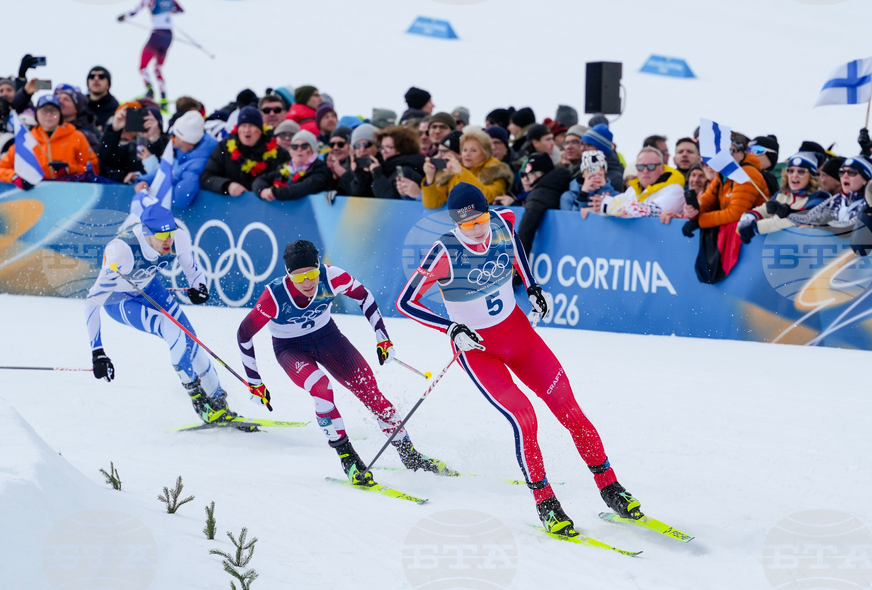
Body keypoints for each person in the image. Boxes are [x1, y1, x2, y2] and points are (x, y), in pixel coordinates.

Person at [397, 184, 644, 535]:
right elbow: (405, 302)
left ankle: (610, 487)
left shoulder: (502, 223)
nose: (478, 229)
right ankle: (546, 503)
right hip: (479, 351)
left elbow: (517, 252)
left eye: (481, 218)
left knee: (570, 410)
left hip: (520, 337)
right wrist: (451, 329)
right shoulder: (444, 252)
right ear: (455, 224)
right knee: (524, 419)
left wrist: (532, 287)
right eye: (467, 226)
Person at [237, 240, 452, 485]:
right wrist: (254, 381)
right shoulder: (274, 296)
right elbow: (244, 335)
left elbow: (365, 297)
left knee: (372, 393)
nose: (307, 283)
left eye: (312, 274)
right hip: (290, 348)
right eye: (299, 278)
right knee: (321, 388)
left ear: (319, 267)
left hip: (328, 338)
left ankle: (410, 456)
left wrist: (382, 338)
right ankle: (348, 458)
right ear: (288, 276)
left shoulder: (333, 277)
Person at [82, 202, 239, 423]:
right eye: (162, 235)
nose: (168, 240)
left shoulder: (178, 239)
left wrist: (200, 287)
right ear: (146, 232)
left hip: (150, 287)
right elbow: (91, 302)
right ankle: (199, 400)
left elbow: (193, 271)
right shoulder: (121, 251)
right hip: (118, 301)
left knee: (191, 339)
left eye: (171, 233)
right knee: (172, 330)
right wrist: (97, 352)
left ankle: (218, 401)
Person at [0, 94, 100, 189]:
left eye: (53, 110)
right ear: (37, 114)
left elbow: (93, 169)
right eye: (44, 110)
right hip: (36, 196)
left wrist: (69, 169)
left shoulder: (77, 137)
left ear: (60, 115)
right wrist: (15, 177)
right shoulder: (26, 140)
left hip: (71, 192)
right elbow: (0, 169)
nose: (49, 115)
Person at [117, 0, 183, 112]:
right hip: (169, 35)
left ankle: (149, 91)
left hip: (157, 34)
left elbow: (136, 9)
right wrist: (168, 12)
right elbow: (179, 10)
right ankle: (164, 98)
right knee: (158, 68)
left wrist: (123, 16)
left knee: (142, 67)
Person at [681, 134, 768, 237]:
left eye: (729, 152)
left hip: (756, 238)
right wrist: (693, 211)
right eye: (720, 152)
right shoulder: (722, 175)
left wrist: (700, 221)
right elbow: (705, 202)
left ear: (740, 155)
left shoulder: (747, 173)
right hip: (738, 237)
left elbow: (736, 213)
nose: (723, 157)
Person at [737, 152, 830, 243]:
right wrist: (748, 218)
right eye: (790, 170)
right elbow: (764, 209)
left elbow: (794, 221)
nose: (794, 175)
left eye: (801, 171)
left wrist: (756, 227)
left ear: (811, 176)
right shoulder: (782, 194)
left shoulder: (818, 198)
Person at [134, 110, 216, 209]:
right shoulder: (185, 152)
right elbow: (168, 170)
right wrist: (144, 181)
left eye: (173, 136)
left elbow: (180, 198)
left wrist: (153, 190)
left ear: (183, 140)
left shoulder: (198, 165)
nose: (171, 139)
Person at [201, 107, 286, 197]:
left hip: (268, 206)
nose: (247, 130)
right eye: (243, 125)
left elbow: (289, 177)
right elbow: (207, 178)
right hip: (232, 206)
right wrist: (227, 186)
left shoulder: (279, 153)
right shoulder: (224, 148)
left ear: (260, 130)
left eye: (251, 126)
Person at [422, 126, 513, 208]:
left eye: (473, 150)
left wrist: (462, 173)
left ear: (486, 153)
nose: (467, 154)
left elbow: (487, 197)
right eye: (465, 150)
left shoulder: (497, 172)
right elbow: (432, 203)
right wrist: (430, 177)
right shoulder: (453, 171)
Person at [590, 146, 686, 219]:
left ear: (662, 169)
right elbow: (610, 204)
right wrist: (595, 207)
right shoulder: (632, 190)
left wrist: (609, 205)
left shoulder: (674, 189)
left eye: (651, 166)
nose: (645, 171)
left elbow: (653, 211)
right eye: (640, 167)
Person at [789, 156, 872, 231]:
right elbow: (808, 217)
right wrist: (785, 211)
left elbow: (849, 226)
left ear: (865, 179)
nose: (845, 176)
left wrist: (821, 227)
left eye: (851, 172)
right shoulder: (834, 200)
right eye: (842, 172)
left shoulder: (870, 203)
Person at [253, 130, 328, 201]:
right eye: (295, 146)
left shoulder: (321, 168)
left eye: (304, 146)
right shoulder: (284, 167)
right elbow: (260, 179)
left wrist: (274, 193)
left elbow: (303, 188)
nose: (299, 149)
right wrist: (262, 191)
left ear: (312, 149)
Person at [100, 102, 166, 183]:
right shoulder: (128, 147)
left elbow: (164, 171)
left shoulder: (168, 145)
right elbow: (106, 159)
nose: (125, 127)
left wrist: (154, 139)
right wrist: (114, 131)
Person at [371, 125, 425, 199]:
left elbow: (390, 200)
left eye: (388, 148)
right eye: (382, 147)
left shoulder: (405, 170)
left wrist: (378, 176)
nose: (383, 152)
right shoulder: (389, 167)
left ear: (401, 148)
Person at [581, 124, 625, 192]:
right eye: (582, 144)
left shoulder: (616, 178)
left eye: (588, 145)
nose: (582, 149)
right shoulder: (580, 170)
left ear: (602, 150)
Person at [324, 126, 357, 196]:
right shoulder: (323, 166)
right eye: (332, 145)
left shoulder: (358, 167)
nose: (335, 148)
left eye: (340, 144)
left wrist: (342, 173)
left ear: (351, 147)